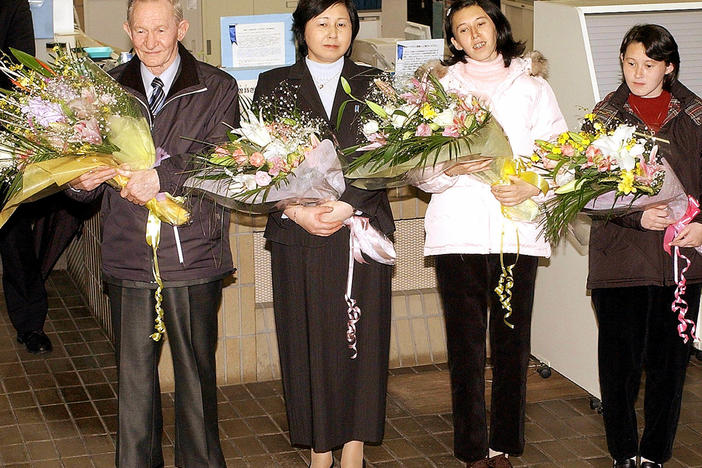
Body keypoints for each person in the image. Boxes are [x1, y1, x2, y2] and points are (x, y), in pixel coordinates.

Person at [67, 0, 239, 465]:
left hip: (193, 252)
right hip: (129, 254)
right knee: (134, 386)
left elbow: (224, 162)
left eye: (160, 30)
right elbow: (79, 176)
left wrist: (166, 177)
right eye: (140, 32)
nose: (150, 42)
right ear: (127, 30)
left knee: (196, 381)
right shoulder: (105, 90)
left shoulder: (216, 86)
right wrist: (79, 182)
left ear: (181, 28)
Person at [414, 1, 567, 466]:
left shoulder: (534, 87)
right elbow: (416, 171)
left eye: (481, 23)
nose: (475, 35)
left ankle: (503, 445)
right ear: (454, 41)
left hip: (515, 231)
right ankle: (472, 449)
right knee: (464, 348)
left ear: (497, 27)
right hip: (457, 232)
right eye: (464, 29)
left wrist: (533, 184)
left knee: (512, 345)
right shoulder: (440, 89)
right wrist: (450, 167)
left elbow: (561, 157)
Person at [252, 0, 395, 466]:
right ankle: (318, 448)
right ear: (302, 30)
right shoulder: (275, 84)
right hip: (299, 235)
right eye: (321, 24)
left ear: (353, 30)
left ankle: (352, 447)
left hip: (361, 228)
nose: (333, 32)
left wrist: (349, 201)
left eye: (342, 24)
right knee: (305, 340)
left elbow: (392, 155)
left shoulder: (376, 83)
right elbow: (258, 163)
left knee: (363, 343)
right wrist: (295, 210)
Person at [587, 24, 702, 468]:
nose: (637, 73)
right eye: (629, 63)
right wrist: (636, 214)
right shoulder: (603, 117)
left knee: (670, 365)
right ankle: (622, 453)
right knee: (618, 367)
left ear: (668, 68)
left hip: (682, 261)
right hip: (620, 261)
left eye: (648, 65)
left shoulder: (695, 116)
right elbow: (581, 191)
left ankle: (654, 455)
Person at [1, 0, 87, 354]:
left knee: (13, 233)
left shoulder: (12, 5)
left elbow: (18, 69)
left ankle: (30, 322)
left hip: (2, 130)